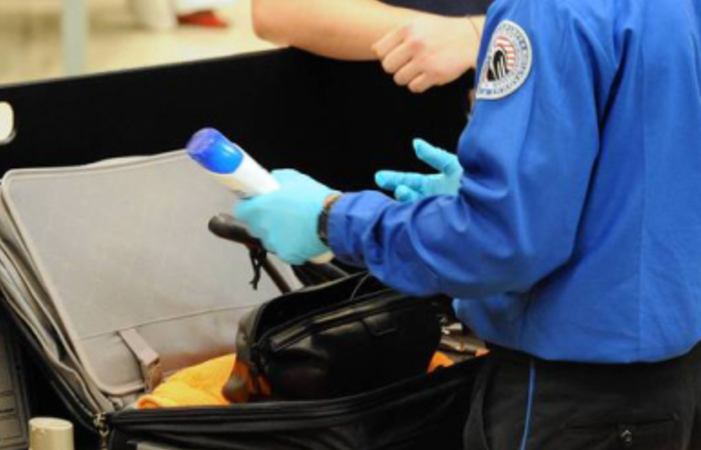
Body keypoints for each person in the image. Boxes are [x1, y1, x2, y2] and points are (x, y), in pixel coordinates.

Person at [233, 0, 701, 448]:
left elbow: (499, 243)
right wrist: (514, 189)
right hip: (668, 383)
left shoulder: (548, 11)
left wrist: (331, 218)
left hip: (570, 397)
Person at [252, 0, 490, 92]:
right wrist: (466, 35)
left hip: (501, 126)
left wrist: (485, 33)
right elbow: (277, 9)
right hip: (366, 119)